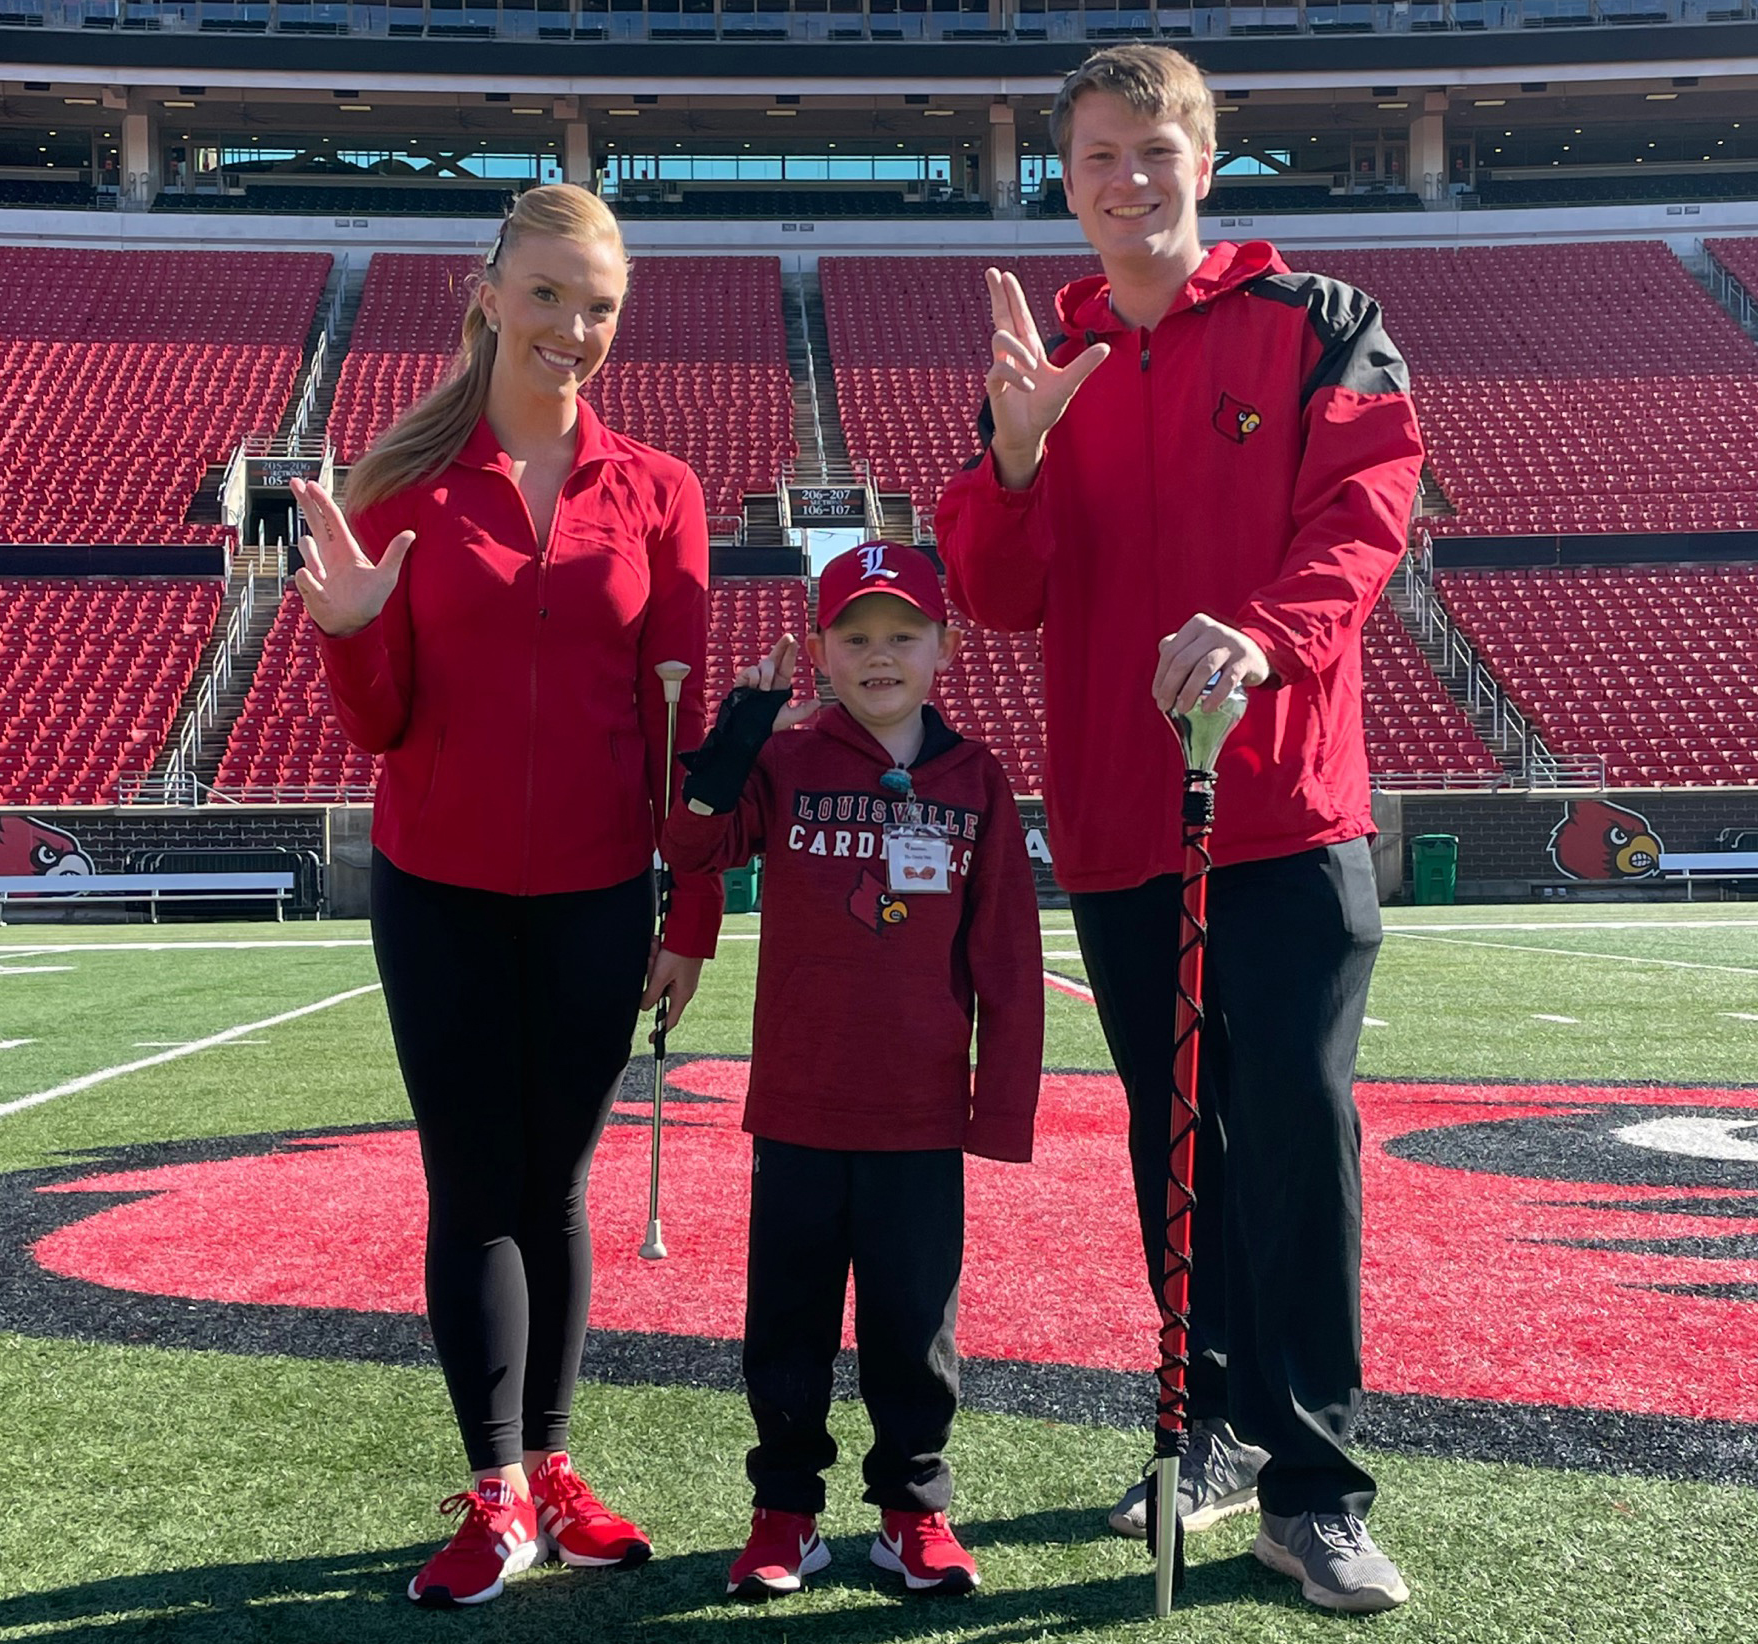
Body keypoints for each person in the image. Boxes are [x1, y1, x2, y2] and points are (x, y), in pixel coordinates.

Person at [934, 44, 1424, 1616]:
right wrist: (1010, 453)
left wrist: (1261, 636)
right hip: (1117, 819)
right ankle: (1200, 1427)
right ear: (1062, 181)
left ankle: (1316, 1483)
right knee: (1175, 1132)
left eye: (1152, 150)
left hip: (1278, 804)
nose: (1125, 181)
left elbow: (1361, 521)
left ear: (1205, 161)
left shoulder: (1315, 323)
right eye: (1095, 159)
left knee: (1294, 1127)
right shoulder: (1045, 368)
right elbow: (995, 596)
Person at [294, 183, 722, 1609]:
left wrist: (690, 917)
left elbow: (680, 730)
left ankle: (549, 1465)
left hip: (601, 896)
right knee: (476, 1188)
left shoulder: (662, 493)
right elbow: (379, 723)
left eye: (598, 305)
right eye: (546, 295)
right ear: (487, 295)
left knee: (555, 1188)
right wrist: (352, 634)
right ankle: (493, 1492)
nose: (573, 329)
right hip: (439, 893)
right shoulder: (401, 488)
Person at [661, 542, 1043, 1602]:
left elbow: (1006, 955)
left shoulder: (977, 779)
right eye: (856, 637)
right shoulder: (787, 760)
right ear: (821, 652)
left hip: (919, 1114)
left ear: (945, 648)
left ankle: (913, 1514)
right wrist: (741, 730)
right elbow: (690, 849)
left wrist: (996, 1108)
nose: (881, 657)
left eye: (903, 636)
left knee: (914, 1332)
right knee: (786, 1325)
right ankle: (784, 1513)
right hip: (800, 1103)